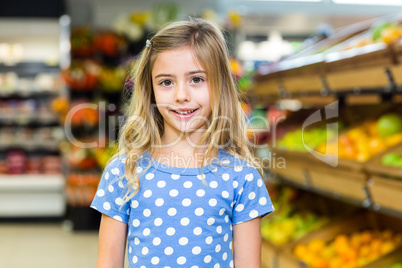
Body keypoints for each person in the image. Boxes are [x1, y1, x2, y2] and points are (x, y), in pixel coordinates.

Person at [91, 17, 274, 268]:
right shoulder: (123, 173)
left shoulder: (242, 177)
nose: (181, 96)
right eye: (166, 82)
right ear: (150, 89)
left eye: (196, 79)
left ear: (220, 84)